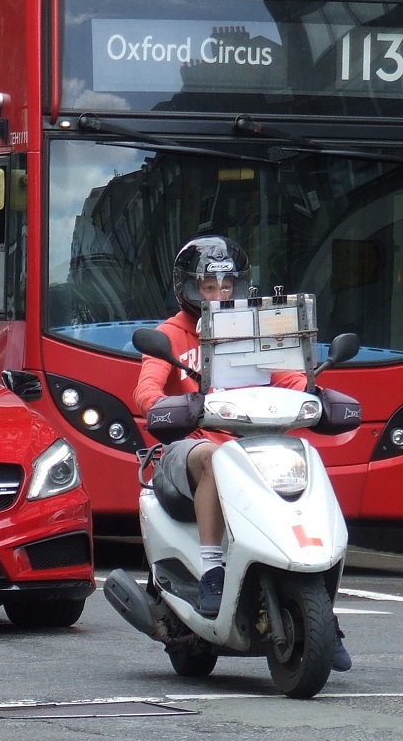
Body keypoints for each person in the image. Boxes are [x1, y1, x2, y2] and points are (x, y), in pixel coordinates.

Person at [132, 235, 352, 671]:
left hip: (251, 447)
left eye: (227, 285)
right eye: (209, 286)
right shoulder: (170, 335)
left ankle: (322, 609)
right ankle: (212, 569)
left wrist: (314, 391)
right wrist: (173, 405)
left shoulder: (252, 327)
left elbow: (286, 376)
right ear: (188, 288)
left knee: (302, 451)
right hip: (191, 449)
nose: (219, 294)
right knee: (215, 458)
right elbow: (146, 390)